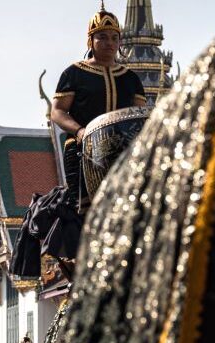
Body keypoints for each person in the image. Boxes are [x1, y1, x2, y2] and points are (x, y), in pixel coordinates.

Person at [50, 3, 146, 216]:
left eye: (114, 37)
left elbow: (140, 118)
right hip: (83, 150)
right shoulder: (74, 73)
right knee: (84, 214)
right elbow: (57, 112)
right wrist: (79, 131)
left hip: (123, 153)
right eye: (102, 37)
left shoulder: (130, 79)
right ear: (91, 41)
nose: (109, 42)